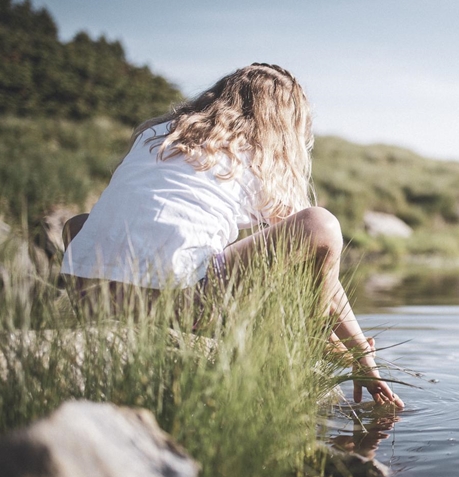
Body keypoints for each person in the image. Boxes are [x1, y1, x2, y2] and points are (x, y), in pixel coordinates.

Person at [61, 63, 403, 408]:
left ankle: (336, 350)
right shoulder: (256, 149)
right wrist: (359, 348)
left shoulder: (158, 134)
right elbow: (318, 269)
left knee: (80, 224)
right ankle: (341, 352)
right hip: (179, 303)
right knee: (319, 224)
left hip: (93, 293)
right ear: (283, 120)